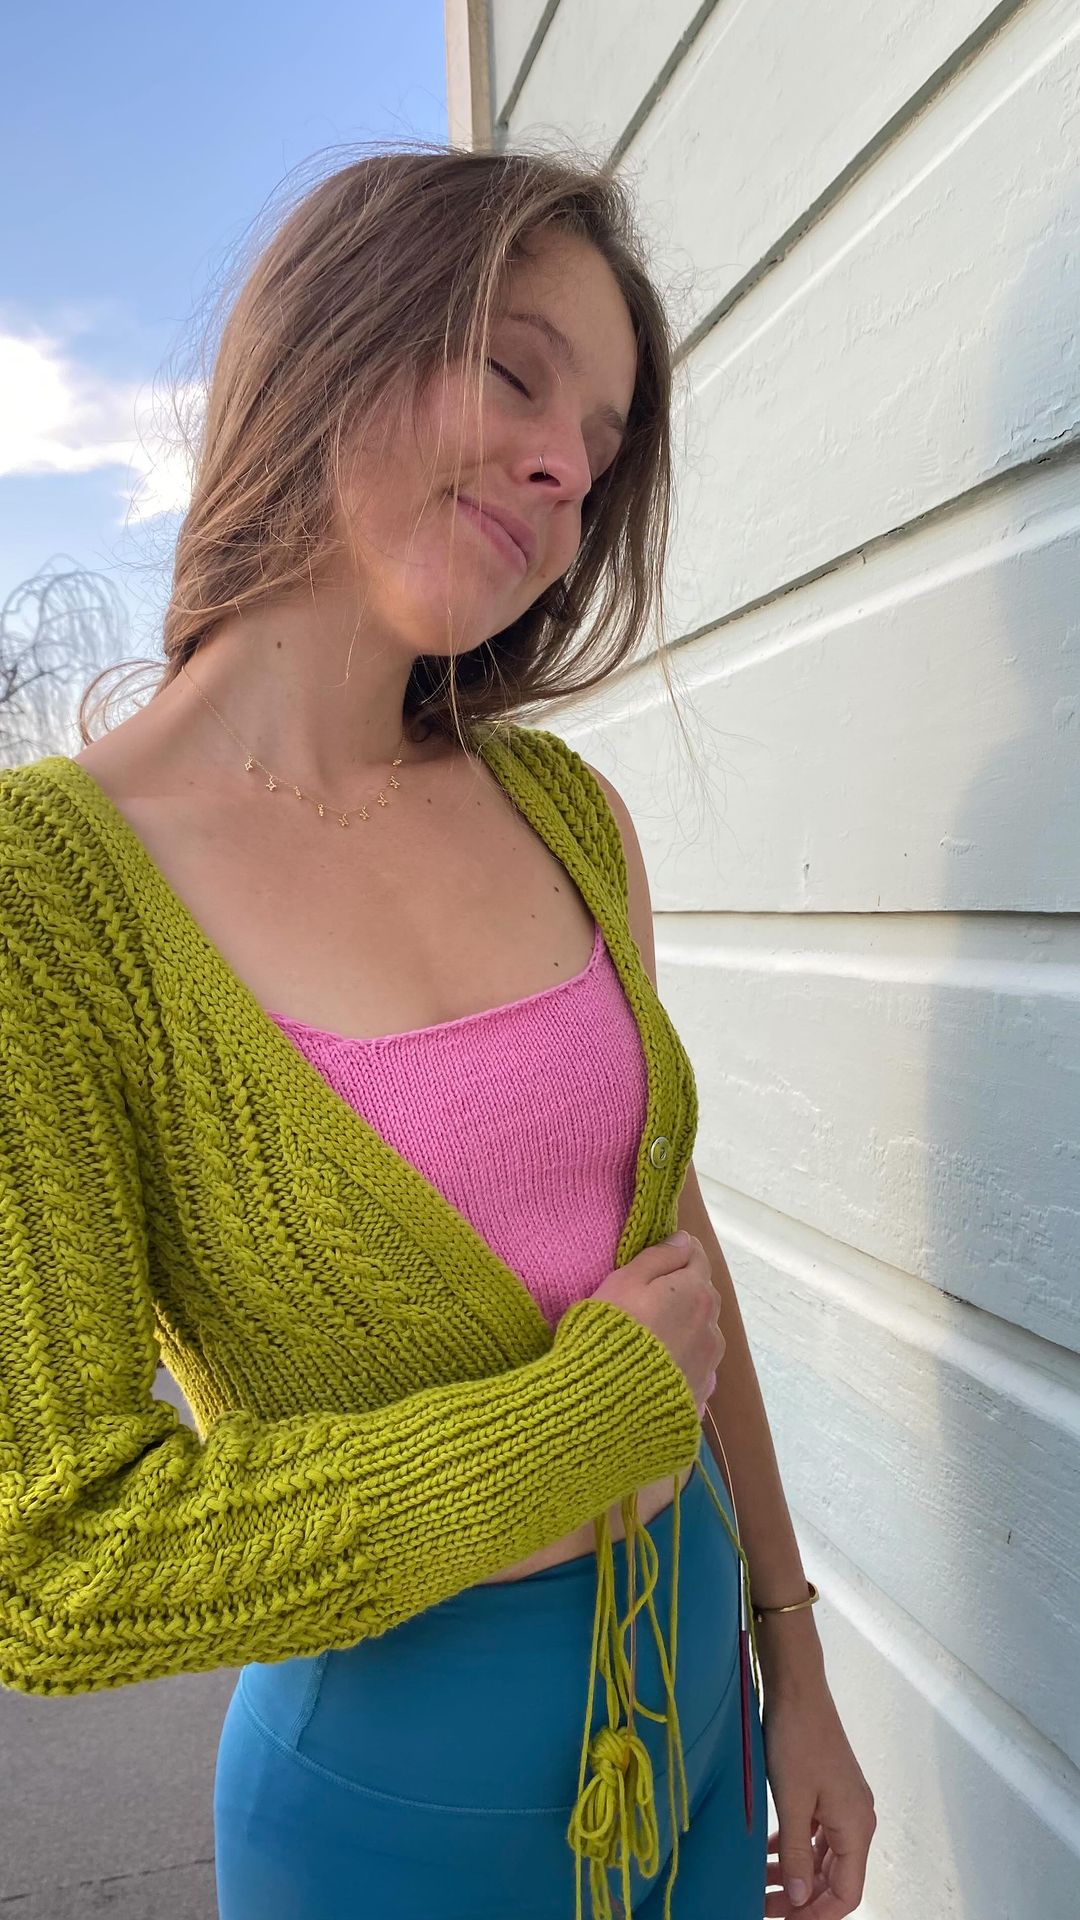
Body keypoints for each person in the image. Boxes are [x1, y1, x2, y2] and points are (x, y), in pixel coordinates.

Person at [0, 145, 876, 1919]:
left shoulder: (564, 813)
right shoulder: (50, 903)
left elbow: (674, 1246)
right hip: (399, 1795)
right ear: (331, 340)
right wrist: (567, 1434)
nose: (564, 473)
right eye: (512, 373)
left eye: (601, 453)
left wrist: (795, 1659)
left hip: (700, 1689)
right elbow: (62, 1556)